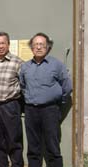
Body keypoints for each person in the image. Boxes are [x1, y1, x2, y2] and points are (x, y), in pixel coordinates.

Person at [19, 32, 72, 167]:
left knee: (52, 147)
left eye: (42, 44)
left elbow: (67, 88)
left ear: (47, 47)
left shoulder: (57, 65)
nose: (38, 47)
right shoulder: (25, 67)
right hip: (31, 110)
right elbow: (23, 86)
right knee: (33, 148)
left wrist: (59, 105)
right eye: (35, 44)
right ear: (31, 47)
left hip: (50, 110)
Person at [0, 32, 24, 167]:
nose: (0, 46)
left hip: (10, 106)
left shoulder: (18, 62)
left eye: (3, 43)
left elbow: (25, 85)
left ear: (8, 44)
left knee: (14, 141)